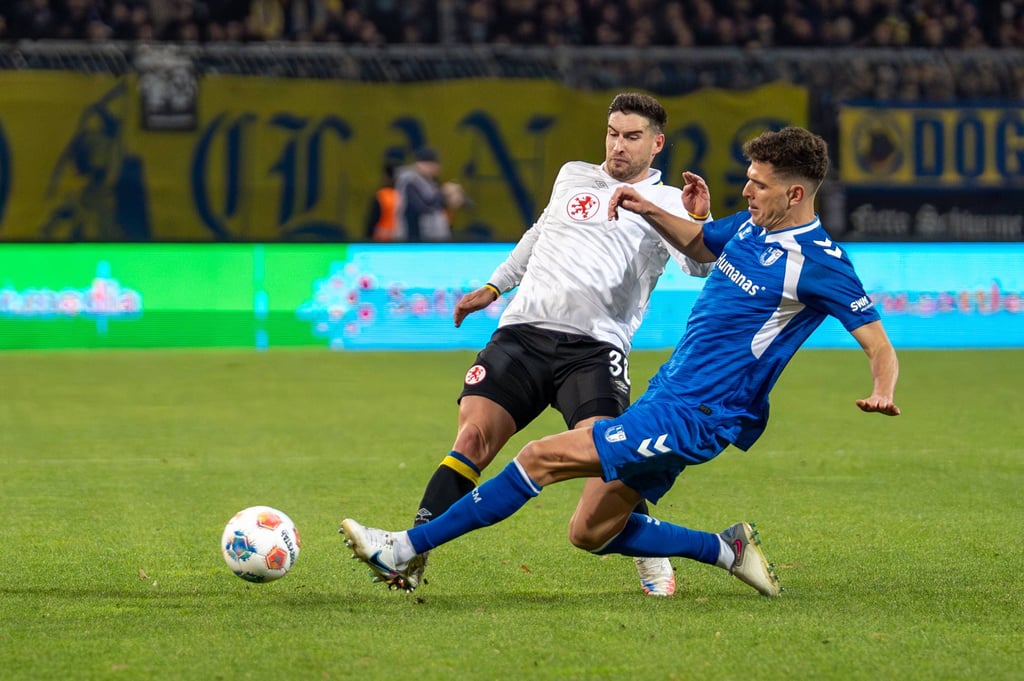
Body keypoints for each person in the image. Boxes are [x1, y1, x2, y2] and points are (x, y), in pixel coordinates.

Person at [341, 126, 901, 598]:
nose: (748, 191)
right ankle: (724, 549)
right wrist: (646, 207)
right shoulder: (753, 226)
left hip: (699, 413)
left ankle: (403, 548)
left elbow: (878, 343)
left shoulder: (819, 263)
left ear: (796, 193)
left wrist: (883, 389)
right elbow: (703, 244)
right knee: (590, 530)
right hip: (668, 393)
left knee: (539, 457)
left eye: (759, 184)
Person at [387, 92, 714, 597]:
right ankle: (413, 548)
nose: (618, 145)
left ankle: (652, 558)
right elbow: (539, 234)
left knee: (610, 458)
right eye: (612, 133)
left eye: (631, 137)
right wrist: (495, 285)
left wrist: (703, 219)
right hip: (522, 334)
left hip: (594, 349)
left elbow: (699, 266)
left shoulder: (669, 200)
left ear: (657, 143)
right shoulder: (573, 175)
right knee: (472, 439)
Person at [394, 146, 465, 242]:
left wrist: (454, 198)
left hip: (429, 234)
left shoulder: (429, 181)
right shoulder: (410, 182)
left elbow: (436, 202)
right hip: (412, 234)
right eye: (432, 164)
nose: (436, 168)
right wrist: (443, 195)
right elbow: (422, 207)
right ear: (421, 164)